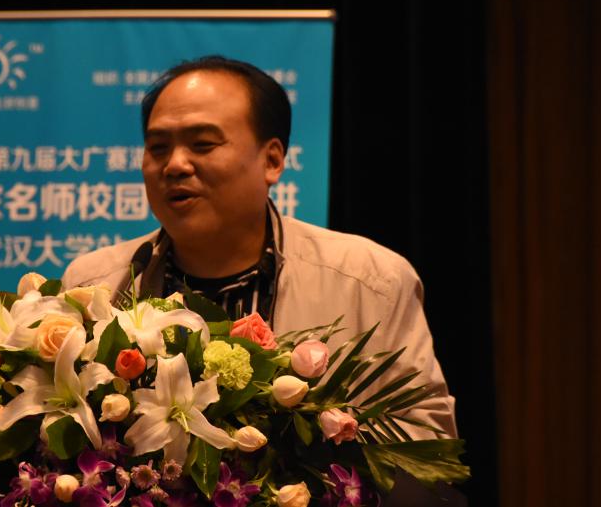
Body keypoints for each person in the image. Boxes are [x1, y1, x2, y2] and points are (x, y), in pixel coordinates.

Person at [63, 56, 456, 438]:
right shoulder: (94, 286)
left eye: (203, 144)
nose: (175, 165)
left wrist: (310, 456)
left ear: (272, 160)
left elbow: (427, 440)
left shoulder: (369, 280)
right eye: (158, 147)